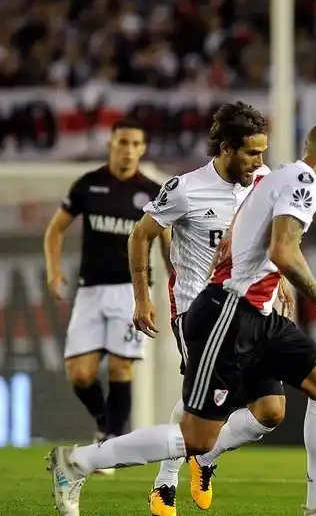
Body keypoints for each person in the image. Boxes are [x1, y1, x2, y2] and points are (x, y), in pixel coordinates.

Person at [46, 123, 316, 516]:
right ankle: (77, 463)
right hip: (230, 313)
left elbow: (251, 241)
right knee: (197, 437)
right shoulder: (303, 182)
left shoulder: (273, 177)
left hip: (259, 313)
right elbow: (282, 251)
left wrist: (267, 277)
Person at [128, 102, 284, 516]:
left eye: (263, 152)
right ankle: (164, 483)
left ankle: (205, 459)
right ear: (227, 148)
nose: (260, 161)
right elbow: (141, 236)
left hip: (251, 308)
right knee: (201, 404)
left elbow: (276, 236)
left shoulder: (266, 182)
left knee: (271, 413)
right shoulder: (185, 189)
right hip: (198, 310)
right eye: (252, 152)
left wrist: (279, 281)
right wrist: (142, 296)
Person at [43, 118, 166, 475]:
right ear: (111, 144)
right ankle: (103, 420)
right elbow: (55, 230)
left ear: (142, 149)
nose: (128, 150)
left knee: (119, 365)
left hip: (132, 291)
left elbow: (167, 240)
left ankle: (112, 443)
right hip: (91, 290)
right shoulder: (89, 184)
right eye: (122, 142)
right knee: (80, 374)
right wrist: (53, 270)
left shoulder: (153, 191)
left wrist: (175, 281)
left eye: (135, 144)